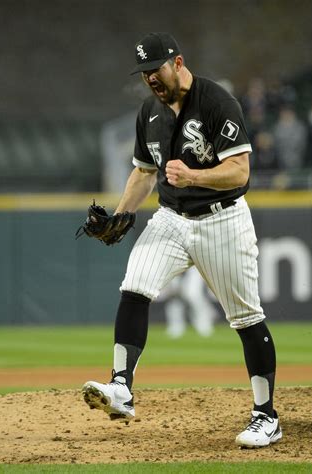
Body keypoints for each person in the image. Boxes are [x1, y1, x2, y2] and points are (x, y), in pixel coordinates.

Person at [82, 32, 282, 449]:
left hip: (222, 220)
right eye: (143, 73)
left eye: (155, 69)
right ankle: (121, 388)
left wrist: (194, 176)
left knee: (246, 318)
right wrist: (122, 213)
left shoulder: (216, 102)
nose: (150, 79)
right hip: (172, 218)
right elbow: (142, 172)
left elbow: (240, 172)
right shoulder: (148, 112)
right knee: (135, 285)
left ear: (177, 62)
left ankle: (266, 416)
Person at [160, 266, 218, 339]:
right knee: (175, 297)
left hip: (193, 267)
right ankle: (176, 327)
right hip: (174, 266)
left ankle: (204, 324)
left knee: (193, 295)